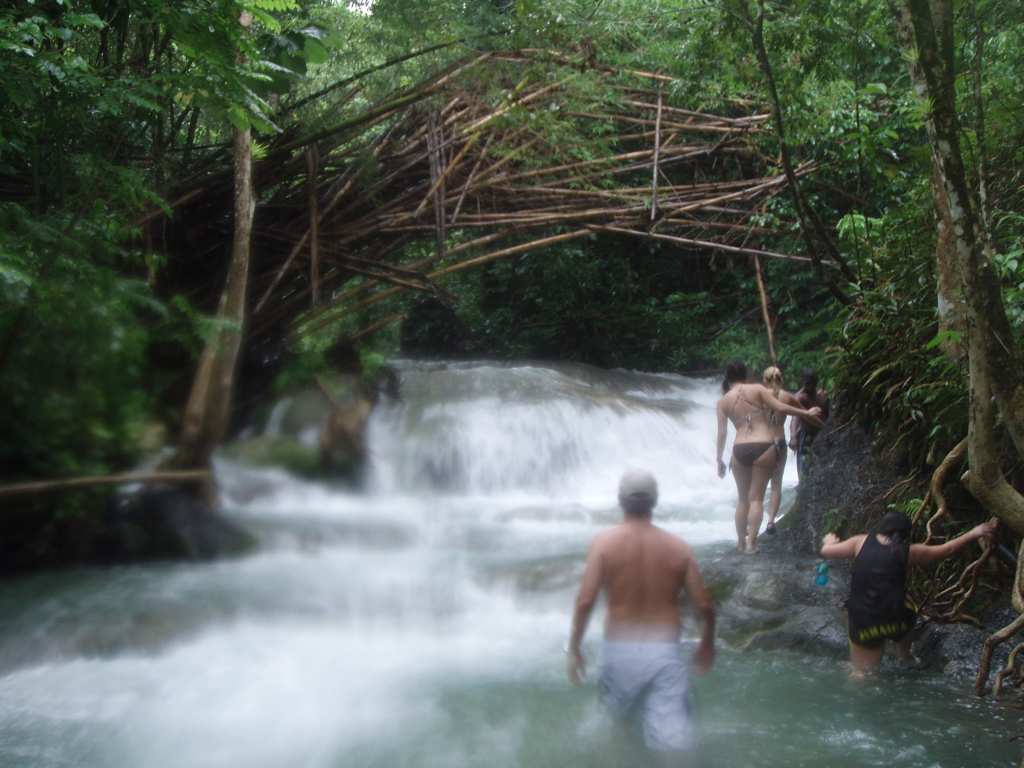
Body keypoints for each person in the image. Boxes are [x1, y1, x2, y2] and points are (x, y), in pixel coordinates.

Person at [566, 468, 715, 764]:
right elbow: (704, 606)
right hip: (664, 650)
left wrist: (574, 649)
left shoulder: (604, 544)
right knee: (673, 742)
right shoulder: (678, 547)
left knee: (617, 730)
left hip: (619, 648)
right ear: (654, 502)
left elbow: (585, 601)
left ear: (621, 502)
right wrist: (707, 643)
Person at [820, 511, 997, 676]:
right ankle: (905, 657)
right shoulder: (910, 552)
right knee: (908, 605)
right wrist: (975, 532)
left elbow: (827, 551)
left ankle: (858, 686)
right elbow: (948, 549)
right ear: (907, 535)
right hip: (896, 620)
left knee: (861, 673)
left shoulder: (860, 542)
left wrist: (830, 541)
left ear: (881, 528)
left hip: (863, 621)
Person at [716, 361, 823, 553]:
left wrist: (719, 460)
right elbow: (780, 408)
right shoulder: (757, 389)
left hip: (739, 448)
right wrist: (805, 412)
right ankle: (751, 545)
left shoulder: (723, 401)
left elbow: (722, 434)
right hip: (764, 445)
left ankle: (740, 544)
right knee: (756, 499)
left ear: (727, 376)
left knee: (743, 500)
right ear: (746, 375)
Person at [761, 366, 802, 535]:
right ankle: (770, 521)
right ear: (781, 379)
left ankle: (751, 523)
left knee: (757, 486)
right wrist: (794, 434)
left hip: (761, 442)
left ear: (765, 380)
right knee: (776, 485)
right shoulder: (787, 397)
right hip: (779, 441)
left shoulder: (759, 396)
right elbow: (800, 412)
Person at [789, 368, 830, 478]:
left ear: (817, 381)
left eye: (812, 384)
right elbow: (795, 418)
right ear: (803, 381)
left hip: (822, 434)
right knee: (804, 467)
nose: (810, 387)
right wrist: (793, 436)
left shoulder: (823, 395)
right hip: (806, 434)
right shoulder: (800, 397)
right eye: (807, 384)